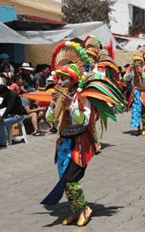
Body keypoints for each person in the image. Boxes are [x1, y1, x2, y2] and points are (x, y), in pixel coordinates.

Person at [41, 41, 126, 227]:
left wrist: (70, 105)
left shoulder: (82, 96)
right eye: (60, 78)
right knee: (65, 181)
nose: (62, 82)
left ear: (73, 80)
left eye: (65, 79)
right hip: (63, 144)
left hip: (79, 144)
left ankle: (85, 209)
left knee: (71, 181)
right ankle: (75, 210)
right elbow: (51, 119)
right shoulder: (57, 95)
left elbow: (83, 120)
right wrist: (54, 104)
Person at [124, 47, 145, 136]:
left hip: (142, 93)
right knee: (135, 110)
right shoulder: (131, 69)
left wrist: (142, 73)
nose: (137, 62)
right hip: (134, 92)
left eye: (139, 61)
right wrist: (129, 72)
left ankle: (144, 127)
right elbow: (125, 78)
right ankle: (138, 127)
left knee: (143, 111)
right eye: (136, 61)